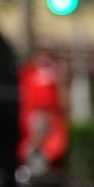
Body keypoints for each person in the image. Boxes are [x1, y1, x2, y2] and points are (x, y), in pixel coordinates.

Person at [17, 48, 69, 176]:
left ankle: (46, 169)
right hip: (36, 112)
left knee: (51, 142)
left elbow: (62, 94)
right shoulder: (30, 72)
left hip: (50, 114)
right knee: (34, 141)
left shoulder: (54, 74)